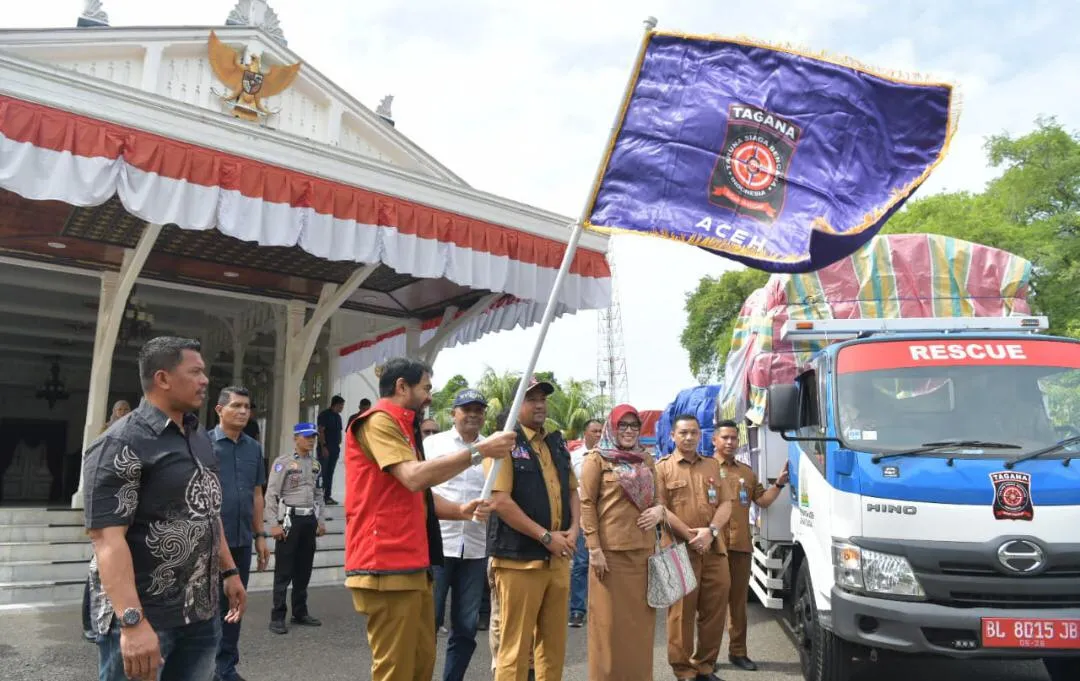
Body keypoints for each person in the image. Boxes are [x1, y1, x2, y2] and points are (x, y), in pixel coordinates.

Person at [83, 336, 246, 681]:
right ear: (163, 378)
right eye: (195, 372)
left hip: (200, 615)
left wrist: (229, 571)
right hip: (146, 618)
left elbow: (208, 512)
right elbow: (107, 540)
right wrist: (132, 622)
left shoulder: (199, 437)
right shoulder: (120, 443)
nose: (205, 380)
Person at [345, 357, 515, 681]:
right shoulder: (378, 421)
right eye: (426, 388)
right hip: (386, 563)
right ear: (402, 386)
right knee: (397, 669)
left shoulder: (404, 428)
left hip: (412, 562)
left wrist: (460, 511)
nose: (430, 396)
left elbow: (418, 496)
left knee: (419, 663)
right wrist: (480, 452)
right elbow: (413, 478)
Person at [487, 376, 580, 681]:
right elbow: (500, 502)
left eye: (543, 399)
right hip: (519, 561)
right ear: (517, 404)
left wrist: (574, 530)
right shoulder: (503, 442)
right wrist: (546, 537)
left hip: (558, 559)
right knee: (514, 648)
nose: (540, 405)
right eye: (531, 399)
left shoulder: (555, 442)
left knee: (553, 648)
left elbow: (572, 490)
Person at [579, 405, 666, 681]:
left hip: (643, 555)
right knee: (607, 628)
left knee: (640, 628)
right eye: (623, 425)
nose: (629, 431)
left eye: (634, 425)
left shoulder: (646, 459)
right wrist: (594, 548)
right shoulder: (597, 459)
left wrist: (659, 510)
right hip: (609, 558)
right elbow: (586, 504)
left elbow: (659, 498)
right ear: (612, 428)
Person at [655, 414, 733, 681]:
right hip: (678, 550)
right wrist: (691, 536)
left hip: (713, 548)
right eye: (683, 433)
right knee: (681, 614)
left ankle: (705, 666)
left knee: (715, 611)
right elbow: (660, 508)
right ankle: (684, 671)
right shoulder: (662, 468)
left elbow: (726, 503)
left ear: (700, 435)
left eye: (694, 433)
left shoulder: (712, 466)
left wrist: (711, 532)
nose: (689, 437)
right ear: (672, 436)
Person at [425, 388, 490, 681]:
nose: (473, 415)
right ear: (453, 414)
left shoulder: (492, 449)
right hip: (438, 545)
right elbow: (422, 490)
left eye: (479, 410)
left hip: (475, 548)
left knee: (466, 626)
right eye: (467, 409)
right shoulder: (433, 444)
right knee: (428, 622)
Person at [714, 419, 789, 672]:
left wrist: (779, 484)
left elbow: (762, 501)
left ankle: (738, 652)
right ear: (714, 440)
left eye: (734, 438)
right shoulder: (705, 469)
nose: (729, 442)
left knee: (738, 605)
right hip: (714, 548)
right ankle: (706, 658)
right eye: (724, 437)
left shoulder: (746, 473)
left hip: (740, 546)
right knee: (711, 605)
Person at [211, 386, 270, 681]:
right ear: (219, 410)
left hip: (242, 540)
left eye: (247, 407)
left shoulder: (253, 449)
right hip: (210, 543)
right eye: (236, 406)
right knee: (208, 607)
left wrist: (260, 535)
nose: (243, 411)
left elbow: (257, 494)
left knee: (235, 603)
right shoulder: (204, 445)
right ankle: (205, 667)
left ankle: (226, 667)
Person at [264, 423, 326, 634]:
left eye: (313, 437)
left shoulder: (316, 464)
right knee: (284, 569)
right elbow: (271, 494)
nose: (311, 440)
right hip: (290, 519)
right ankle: (277, 616)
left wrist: (321, 520)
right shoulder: (283, 463)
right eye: (307, 437)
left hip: (309, 520)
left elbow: (319, 494)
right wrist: (274, 524)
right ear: (296, 438)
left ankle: (300, 611)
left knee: (304, 568)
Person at [82, 399, 134, 643]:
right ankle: (90, 623)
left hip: (125, 516)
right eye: (119, 410)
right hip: (105, 514)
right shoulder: (106, 435)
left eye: (126, 410)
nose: (123, 413)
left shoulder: (134, 435)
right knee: (97, 571)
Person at [568, 418, 603, 628]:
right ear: (585, 434)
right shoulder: (574, 458)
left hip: (606, 517)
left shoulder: (610, 457)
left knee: (607, 562)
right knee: (581, 563)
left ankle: (602, 608)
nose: (598, 435)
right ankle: (577, 609)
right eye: (594, 431)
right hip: (582, 516)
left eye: (601, 431)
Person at [317, 395, 345, 505]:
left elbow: (339, 432)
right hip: (325, 448)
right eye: (341, 406)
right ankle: (319, 496)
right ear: (335, 405)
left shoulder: (338, 417)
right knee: (322, 473)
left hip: (335, 448)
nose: (342, 408)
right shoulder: (324, 415)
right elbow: (321, 431)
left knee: (330, 472)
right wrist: (323, 447)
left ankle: (327, 496)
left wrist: (339, 445)